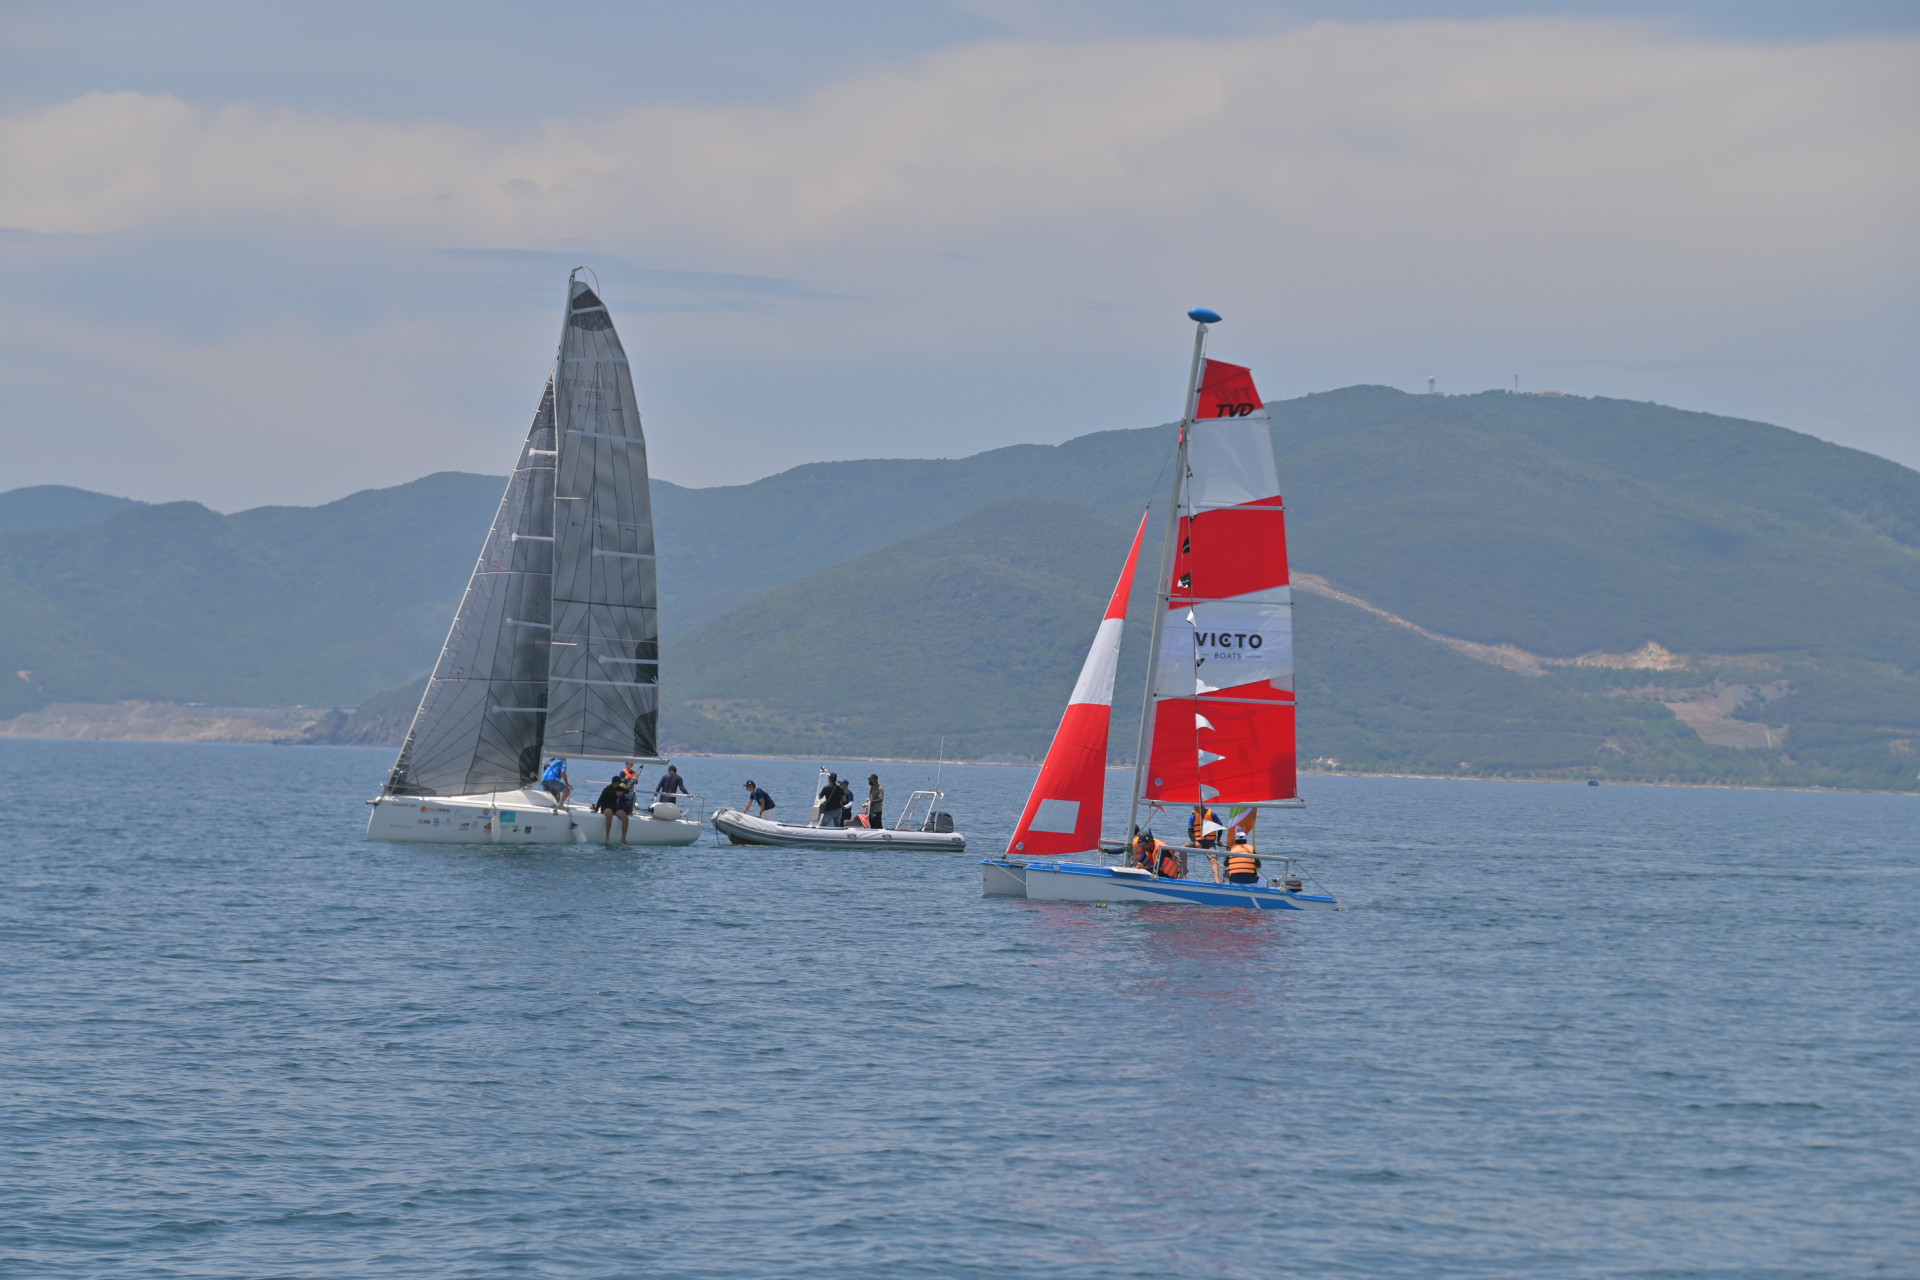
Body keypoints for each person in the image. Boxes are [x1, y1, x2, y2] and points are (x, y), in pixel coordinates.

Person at [593, 774, 635, 846]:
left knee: (625, 818)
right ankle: (607, 837)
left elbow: (627, 791)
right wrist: (596, 810)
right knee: (609, 815)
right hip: (606, 806)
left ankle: (623, 838)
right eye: (618, 783)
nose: (619, 784)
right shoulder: (607, 790)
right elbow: (600, 800)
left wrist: (625, 789)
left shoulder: (619, 788)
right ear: (614, 783)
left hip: (614, 806)